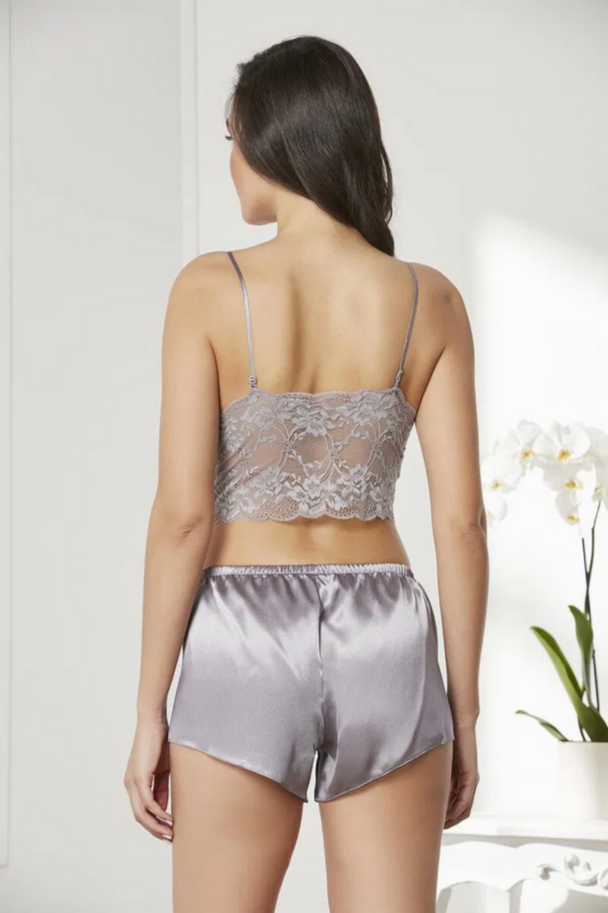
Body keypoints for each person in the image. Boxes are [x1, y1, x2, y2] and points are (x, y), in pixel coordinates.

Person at [123, 34, 488, 913]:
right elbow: (462, 524)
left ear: (272, 138)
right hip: (388, 633)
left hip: (242, 634)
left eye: (232, 138)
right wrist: (464, 712)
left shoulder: (209, 288)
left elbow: (182, 517)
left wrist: (148, 711)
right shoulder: (430, 298)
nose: (231, 161)